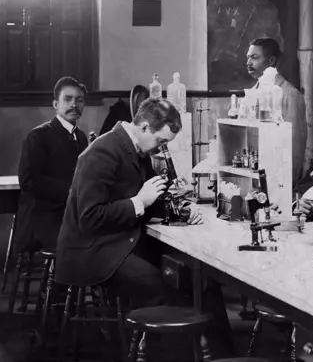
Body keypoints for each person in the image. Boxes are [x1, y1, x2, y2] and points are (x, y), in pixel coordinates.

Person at [56, 98, 234, 356]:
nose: (162, 150)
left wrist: (181, 210)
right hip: (92, 251)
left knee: (200, 279)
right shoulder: (102, 152)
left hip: (121, 240)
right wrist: (139, 201)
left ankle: (223, 356)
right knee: (160, 289)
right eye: (161, 142)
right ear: (144, 127)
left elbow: (149, 202)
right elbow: (90, 217)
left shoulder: (136, 149)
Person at [15, 77, 89, 254]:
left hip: (68, 216)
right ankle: (66, 282)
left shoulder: (81, 137)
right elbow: (29, 181)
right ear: (55, 104)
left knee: (104, 240)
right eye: (68, 99)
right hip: (41, 220)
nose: (74, 105)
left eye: (79, 100)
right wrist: (72, 191)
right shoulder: (38, 136)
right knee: (82, 247)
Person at [247, 37, 307, 182]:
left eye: (255, 58)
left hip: (279, 178)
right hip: (253, 173)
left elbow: (295, 148)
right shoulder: (252, 93)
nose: (248, 63)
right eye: (248, 57)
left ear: (271, 61)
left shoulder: (290, 95)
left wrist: (287, 185)